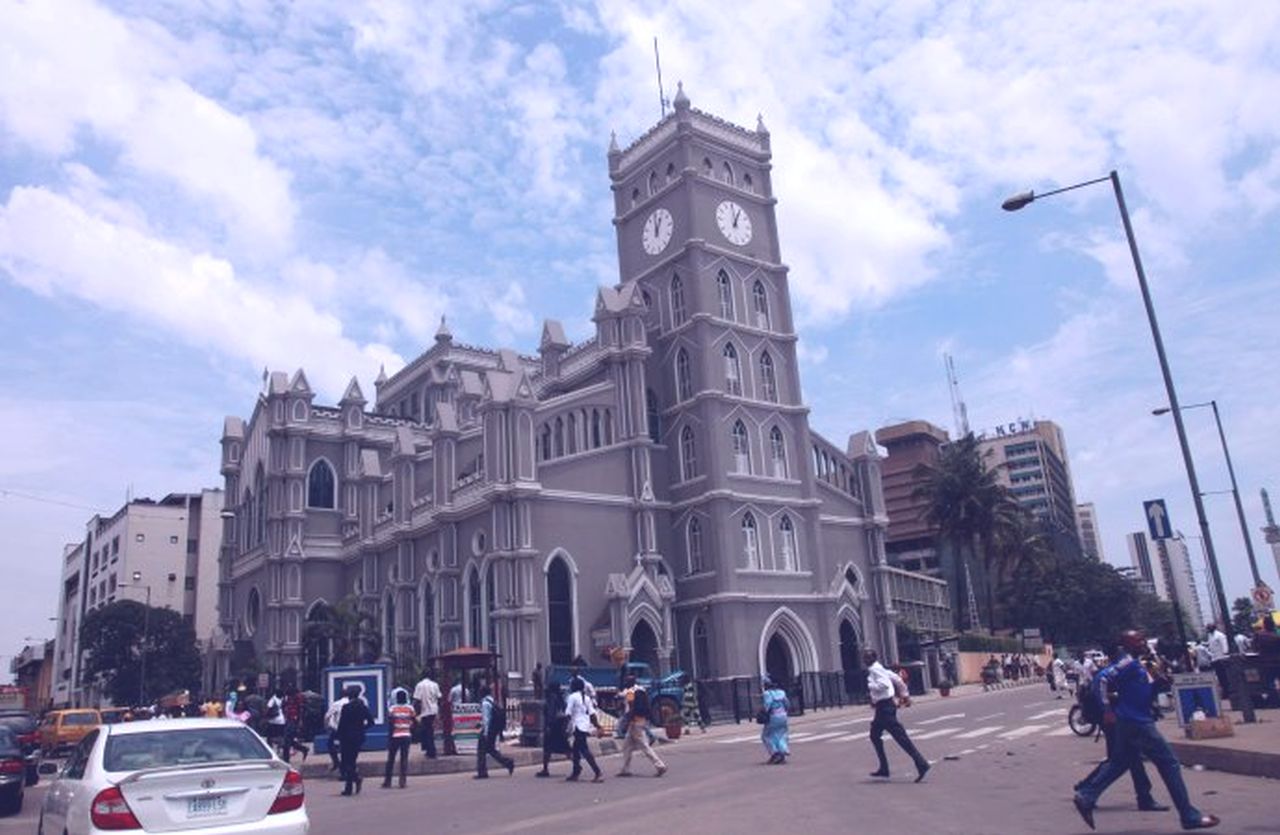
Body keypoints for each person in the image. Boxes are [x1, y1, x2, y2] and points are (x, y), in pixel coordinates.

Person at [1072, 630, 1219, 831]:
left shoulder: (1138, 663)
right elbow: (1102, 680)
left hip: (1131, 720)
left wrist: (1158, 683)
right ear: (1128, 644)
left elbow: (1138, 690)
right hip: (1137, 722)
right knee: (1170, 763)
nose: (1143, 643)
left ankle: (1086, 796)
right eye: (1138, 641)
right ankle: (1189, 815)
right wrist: (1106, 709)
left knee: (1120, 762)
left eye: (1143, 640)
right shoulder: (1128, 663)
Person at [1072, 653, 1166, 814]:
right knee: (1125, 761)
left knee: (1122, 760)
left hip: (1119, 722)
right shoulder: (1112, 675)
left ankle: (1087, 789)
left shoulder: (1113, 673)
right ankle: (1088, 790)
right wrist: (1111, 706)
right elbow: (1110, 696)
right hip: (1115, 722)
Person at [864, 649, 929, 782]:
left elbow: (883, 686)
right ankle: (884, 767)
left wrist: (871, 686)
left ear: (873, 658)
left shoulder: (875, 670)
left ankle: (921, 763)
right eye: (864, 657)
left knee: (900, 737)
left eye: (866, 657)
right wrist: (905, 695)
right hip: (884, 707)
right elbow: (898, 680)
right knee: (875, 735)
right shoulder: (881, 669)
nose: (864, 659)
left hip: (885, 708)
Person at [617, 675, 667, 777]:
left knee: (644, 746)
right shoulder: (641, 690)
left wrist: (627, 722)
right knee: (626, 746)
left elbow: (631, 707)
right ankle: (625, 769)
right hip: (641, 719)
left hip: (634, 721)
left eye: (626, 682)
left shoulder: (630, 692)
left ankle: (660, 765)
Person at [336, 685, 374, 796]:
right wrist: (362, 729)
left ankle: (352, 784)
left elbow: (342, 724)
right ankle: (354, 781)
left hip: (346, 737)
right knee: (351, 761)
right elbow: (371, 722)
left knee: (346, 762)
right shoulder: (363, 707)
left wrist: (338, 737)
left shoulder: (346, 707)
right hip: (358, 738)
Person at [564, 677, 603, 783]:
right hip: (584, 726)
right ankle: (575, 772)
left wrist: (566, 728)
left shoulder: (572, 697)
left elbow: (568, 713)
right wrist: (597, 726)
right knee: (576, 750)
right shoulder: (586, 698)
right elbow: (592, 714)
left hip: (577, 726)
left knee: (584, 750)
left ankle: (598, 772)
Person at [475, 685, 515, 779]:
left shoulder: (485, 703)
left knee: (481, 750)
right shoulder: (492, 701)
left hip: (488, 731)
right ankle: (508, 763)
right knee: (491, 749)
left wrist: (485, 733)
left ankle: (482, 772)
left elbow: (486, 719)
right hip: (494, 730)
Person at [534, 682, 571, 777]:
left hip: (552, 727)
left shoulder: (552, 697)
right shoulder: (560, 697)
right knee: (564, 747)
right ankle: (576, 765)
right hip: (559, 726)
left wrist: (548, 726)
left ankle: (545, 769)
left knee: (547, 749)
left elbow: (551, 712)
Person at [383, 688, 415, 789]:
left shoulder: (392, 709)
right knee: (404, 759)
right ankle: (402, 782)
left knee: (391, 759)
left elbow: (391, 723)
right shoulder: (410, 709)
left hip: (395, 735)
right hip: (406, 735)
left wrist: (390, 736)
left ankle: (388, 782)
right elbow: (414, 720)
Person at [760, 676, 790, 765]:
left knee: (767, 736)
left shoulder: (767, 694)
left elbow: (767, 706)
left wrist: (763, 712)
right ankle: (783, 751)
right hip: (783, 716)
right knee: (781, 734)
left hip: (773, 716)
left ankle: (775, 753)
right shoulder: (782, 692)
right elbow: (787, 704)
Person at [412, 669, 441, 759]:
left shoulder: (420, 685)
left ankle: (430, 751)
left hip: (425, 711)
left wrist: (415, 712)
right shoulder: (435, 685)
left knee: (427, 731)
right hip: (434, 710)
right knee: (430, 731)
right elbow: (439, 697)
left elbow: (417, 699)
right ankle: (430, 750)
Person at [280, 686, 310, 764]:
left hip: (294, 720)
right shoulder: (288, 699)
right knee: (288, 740)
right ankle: (303, 749)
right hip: (289, 719)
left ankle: (286, 759)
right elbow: (284, 707)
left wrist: (300, 721)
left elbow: (301, 710)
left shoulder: (298, 698)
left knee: (286, 740)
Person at [324, 690, 349, 772]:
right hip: (349, 730)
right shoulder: (351, 703)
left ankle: (336, 762)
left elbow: (327, 716)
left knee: (330, 745)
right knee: (345, 749)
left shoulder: (336, 704)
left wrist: (327, 727)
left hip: (337, 729)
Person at [264, 688, 288, 752]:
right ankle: (279, 748)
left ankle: (270, 748)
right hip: (282, 720)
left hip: (272, 720)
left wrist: (265, 717)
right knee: (280, 735)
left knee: (270, 736)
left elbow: (268, 709)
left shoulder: (273, 699)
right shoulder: (284, 699)